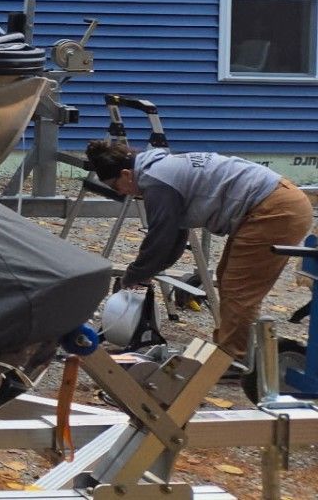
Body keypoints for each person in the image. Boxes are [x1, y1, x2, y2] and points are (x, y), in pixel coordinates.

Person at [87, 139, 313, 359]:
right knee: (228, 280)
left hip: (274, 210)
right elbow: (173, 239)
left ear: (126, 175)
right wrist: (144, 274)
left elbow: (160, 240)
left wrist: (132, 276)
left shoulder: (156, 182)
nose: (122, 193)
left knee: (239, 291)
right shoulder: (158, 170)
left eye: (116, 187)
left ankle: (234, 360)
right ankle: (232, 353)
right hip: (273, 201)